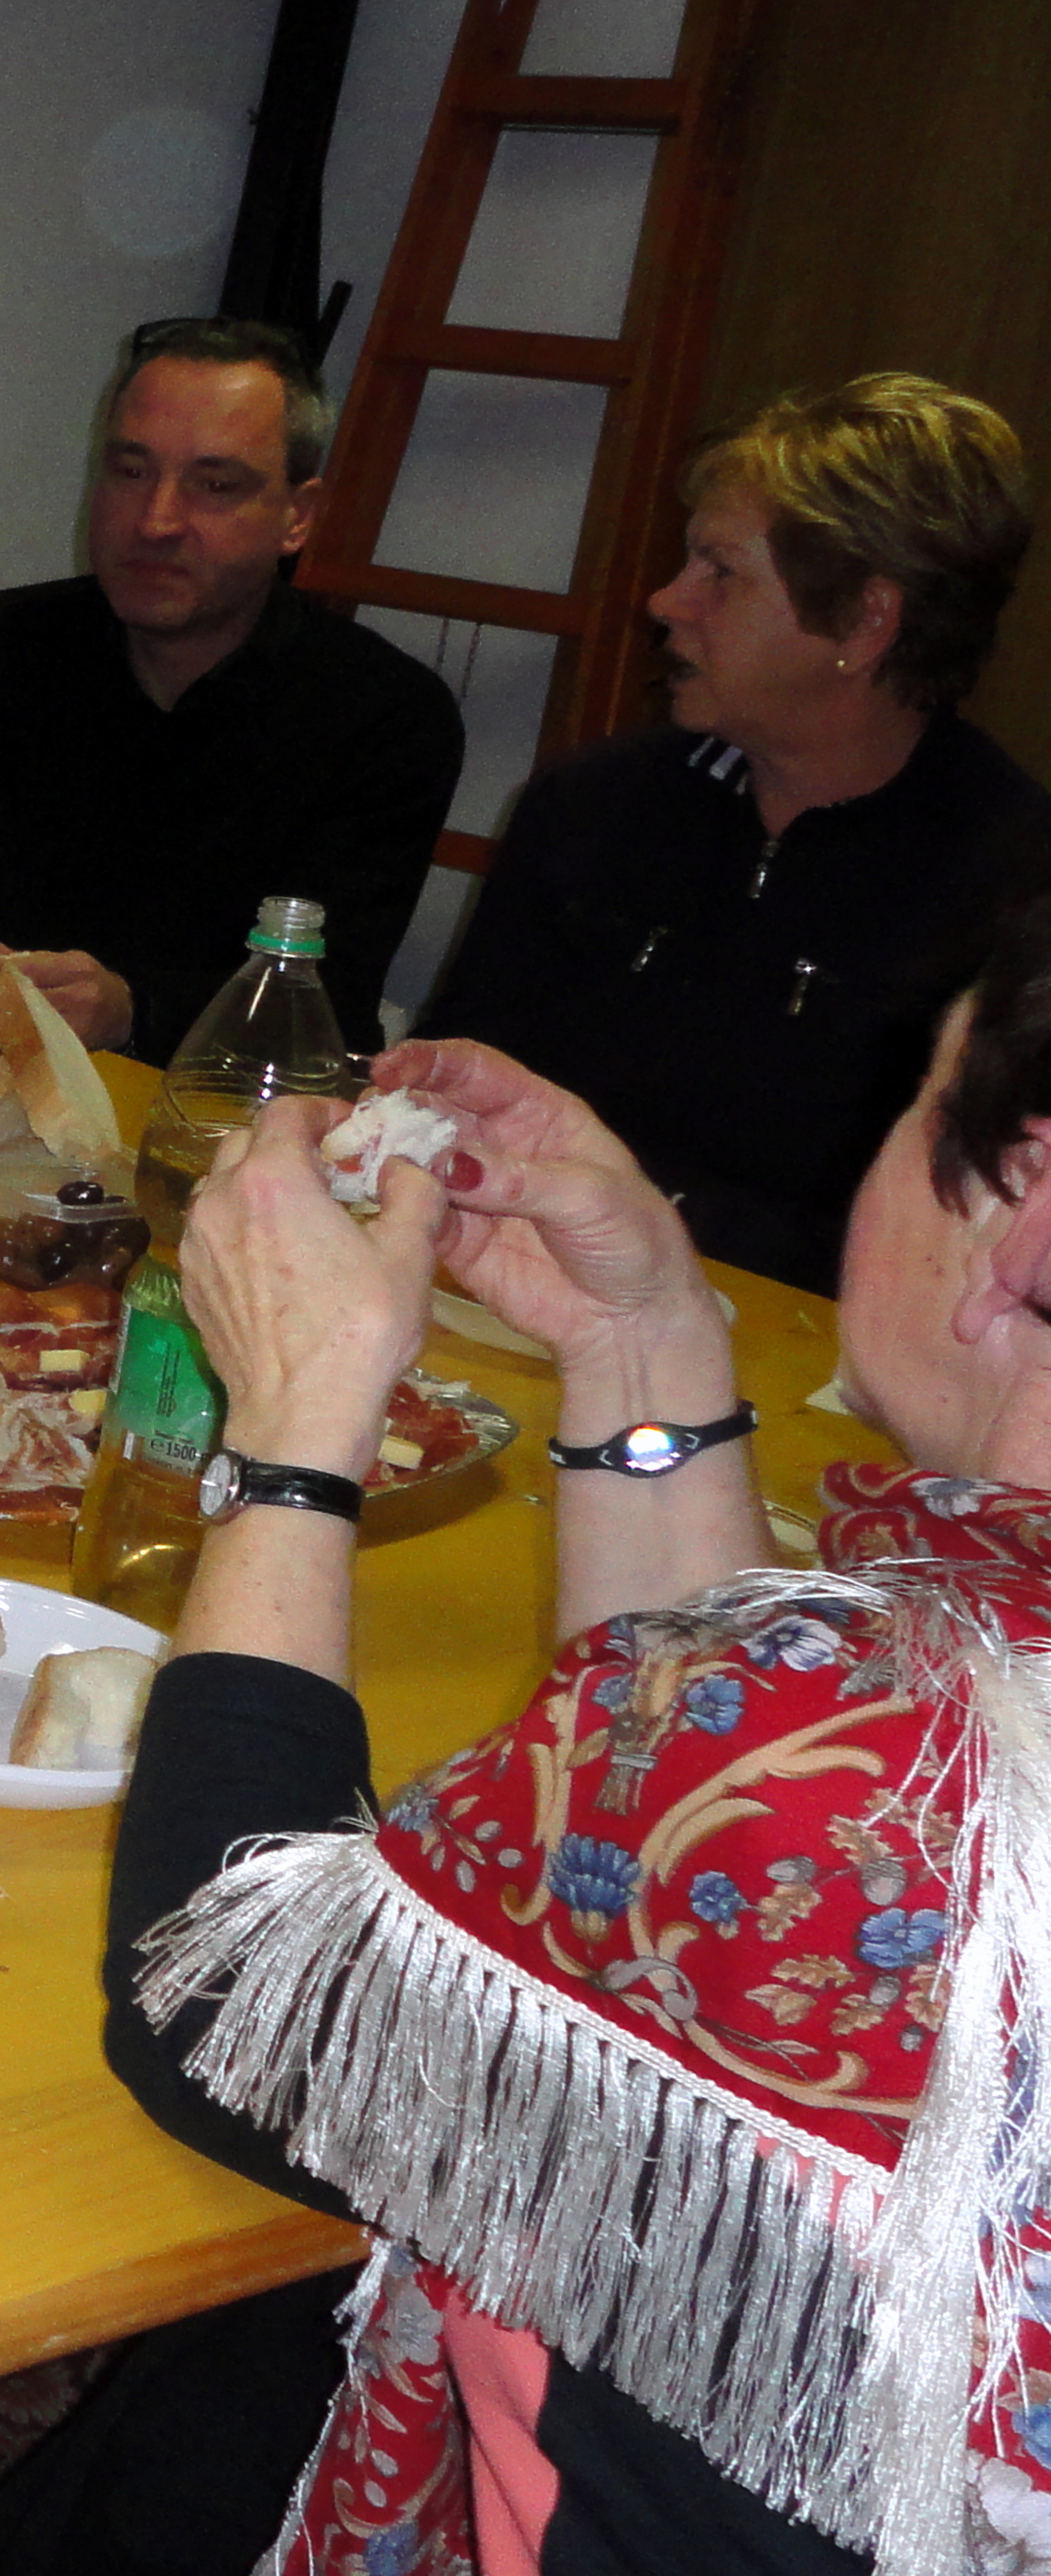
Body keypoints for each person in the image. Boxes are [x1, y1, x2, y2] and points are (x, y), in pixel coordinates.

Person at [99, 954, 1051, 2570]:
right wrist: (637, 1340)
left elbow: (232, 2016)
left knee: (220, 2380)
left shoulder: (902, 1762)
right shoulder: (893, 1711)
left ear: (1021, 1219)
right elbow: (679, 1882)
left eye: (921, 1098)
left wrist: (296, 1429)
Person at [418, 373, 1051, 1293]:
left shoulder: (1018, 887)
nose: (665, 601)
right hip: (515, 1287)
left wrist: (653, 1220)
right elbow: (453, 1084)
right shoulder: (591, 806)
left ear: (866, 620)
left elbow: (976, 1244)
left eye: (720, 573)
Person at [0, 318, 462, 1060]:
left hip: (260, 1102)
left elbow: (326, 997)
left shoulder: (386, 713)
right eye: (130, 471)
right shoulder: (18, 656)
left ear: (296, 517)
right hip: (33, 1080)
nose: (155, 520)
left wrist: (133, 1010)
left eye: (214, 485)